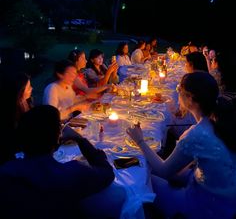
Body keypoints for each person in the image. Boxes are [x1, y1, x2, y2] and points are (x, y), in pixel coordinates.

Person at [127, 72, 236, 218]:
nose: (177, 94)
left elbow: (163, 171)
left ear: (190, 99)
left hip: (207, 206)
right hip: (224, 196)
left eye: (179, 90)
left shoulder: (198, 133)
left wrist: (139, 140)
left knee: (140, 183)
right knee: (150, 169)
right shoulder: (220, 121)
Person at [0, 105, 125, 218]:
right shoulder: (72, 173)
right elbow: (107, 173)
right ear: (58, 137)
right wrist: (80, 140)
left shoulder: (6, 171)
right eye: (59, 126)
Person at [0, 72, 33, 164]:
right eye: (28, 87)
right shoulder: (9, 114)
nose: (32, 89)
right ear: (20, 91)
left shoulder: (27, 102)